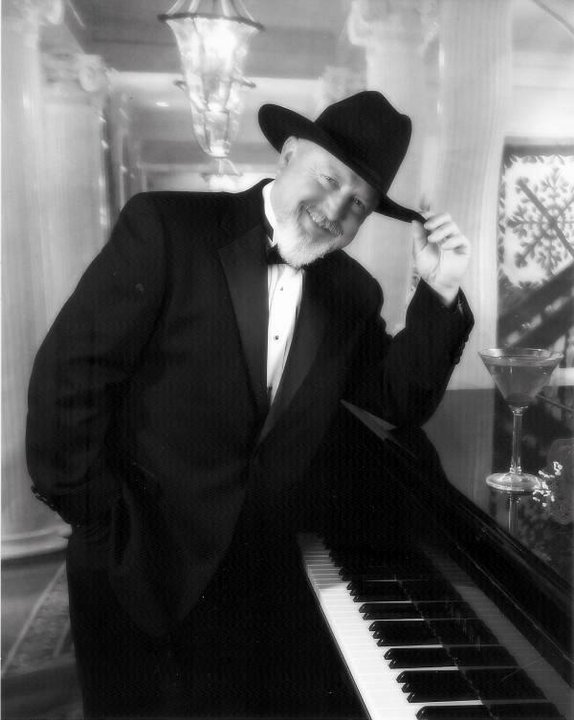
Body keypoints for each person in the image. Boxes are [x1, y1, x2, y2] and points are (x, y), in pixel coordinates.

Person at [26, 90, 473, 717]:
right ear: (288, 154)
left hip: (261, 577)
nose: (335, 210)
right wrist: (100, 522)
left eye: (359, 205)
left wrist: (440, 292)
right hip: (135, 560)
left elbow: (399, 400)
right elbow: (69, 379)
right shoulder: (165, 227)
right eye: (329, 180)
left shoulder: (353, 290)